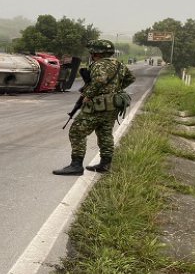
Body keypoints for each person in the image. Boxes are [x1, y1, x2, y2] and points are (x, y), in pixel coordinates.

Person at [53, 39, 135, 176]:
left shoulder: (98, 65)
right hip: (113, 105)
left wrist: (88, 95)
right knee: (105, 133)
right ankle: (105, 164)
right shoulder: (119, 65)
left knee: (77, 131)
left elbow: (99, 80)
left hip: (97, 105)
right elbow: (130, 78)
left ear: (95, 52)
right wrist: (114, 90)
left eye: (91, 51)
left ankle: (76, 165)